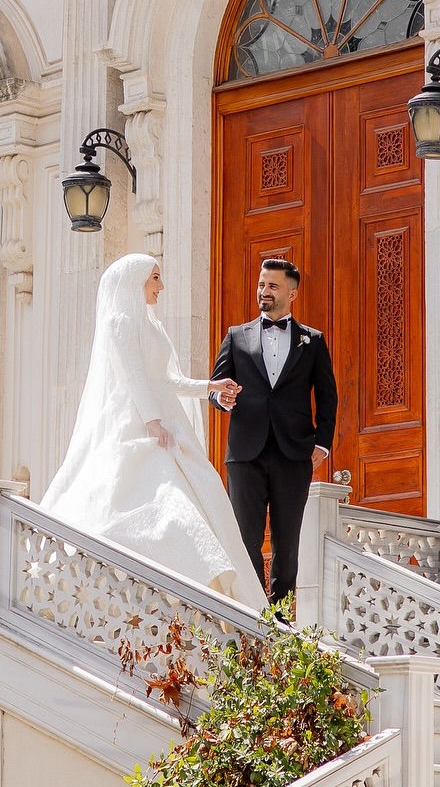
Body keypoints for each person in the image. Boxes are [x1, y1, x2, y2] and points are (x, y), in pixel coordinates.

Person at [39, 253, 267, 610]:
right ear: (136, 281)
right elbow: (132, 374)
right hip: (138, 423)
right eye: (155, 278)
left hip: (167, 420)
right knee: (165, 501)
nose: (161, 286)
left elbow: (168, 379)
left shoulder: (154, 326)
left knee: (199, 499)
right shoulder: (120, 321)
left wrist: (210, 385)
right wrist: (150, 421)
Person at [209, 258, 338, 607]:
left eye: (273, 286)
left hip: (294, 454)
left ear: (292, 293)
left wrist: (322, 444)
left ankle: (280, 617)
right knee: (246, 539)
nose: (264, 292)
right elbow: (214, 388)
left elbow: (328, 395)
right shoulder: (236, 336)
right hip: (245, 453)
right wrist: (221, 398)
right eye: (262, 285)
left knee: (287, 541)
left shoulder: (313, 341)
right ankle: (252, 610)